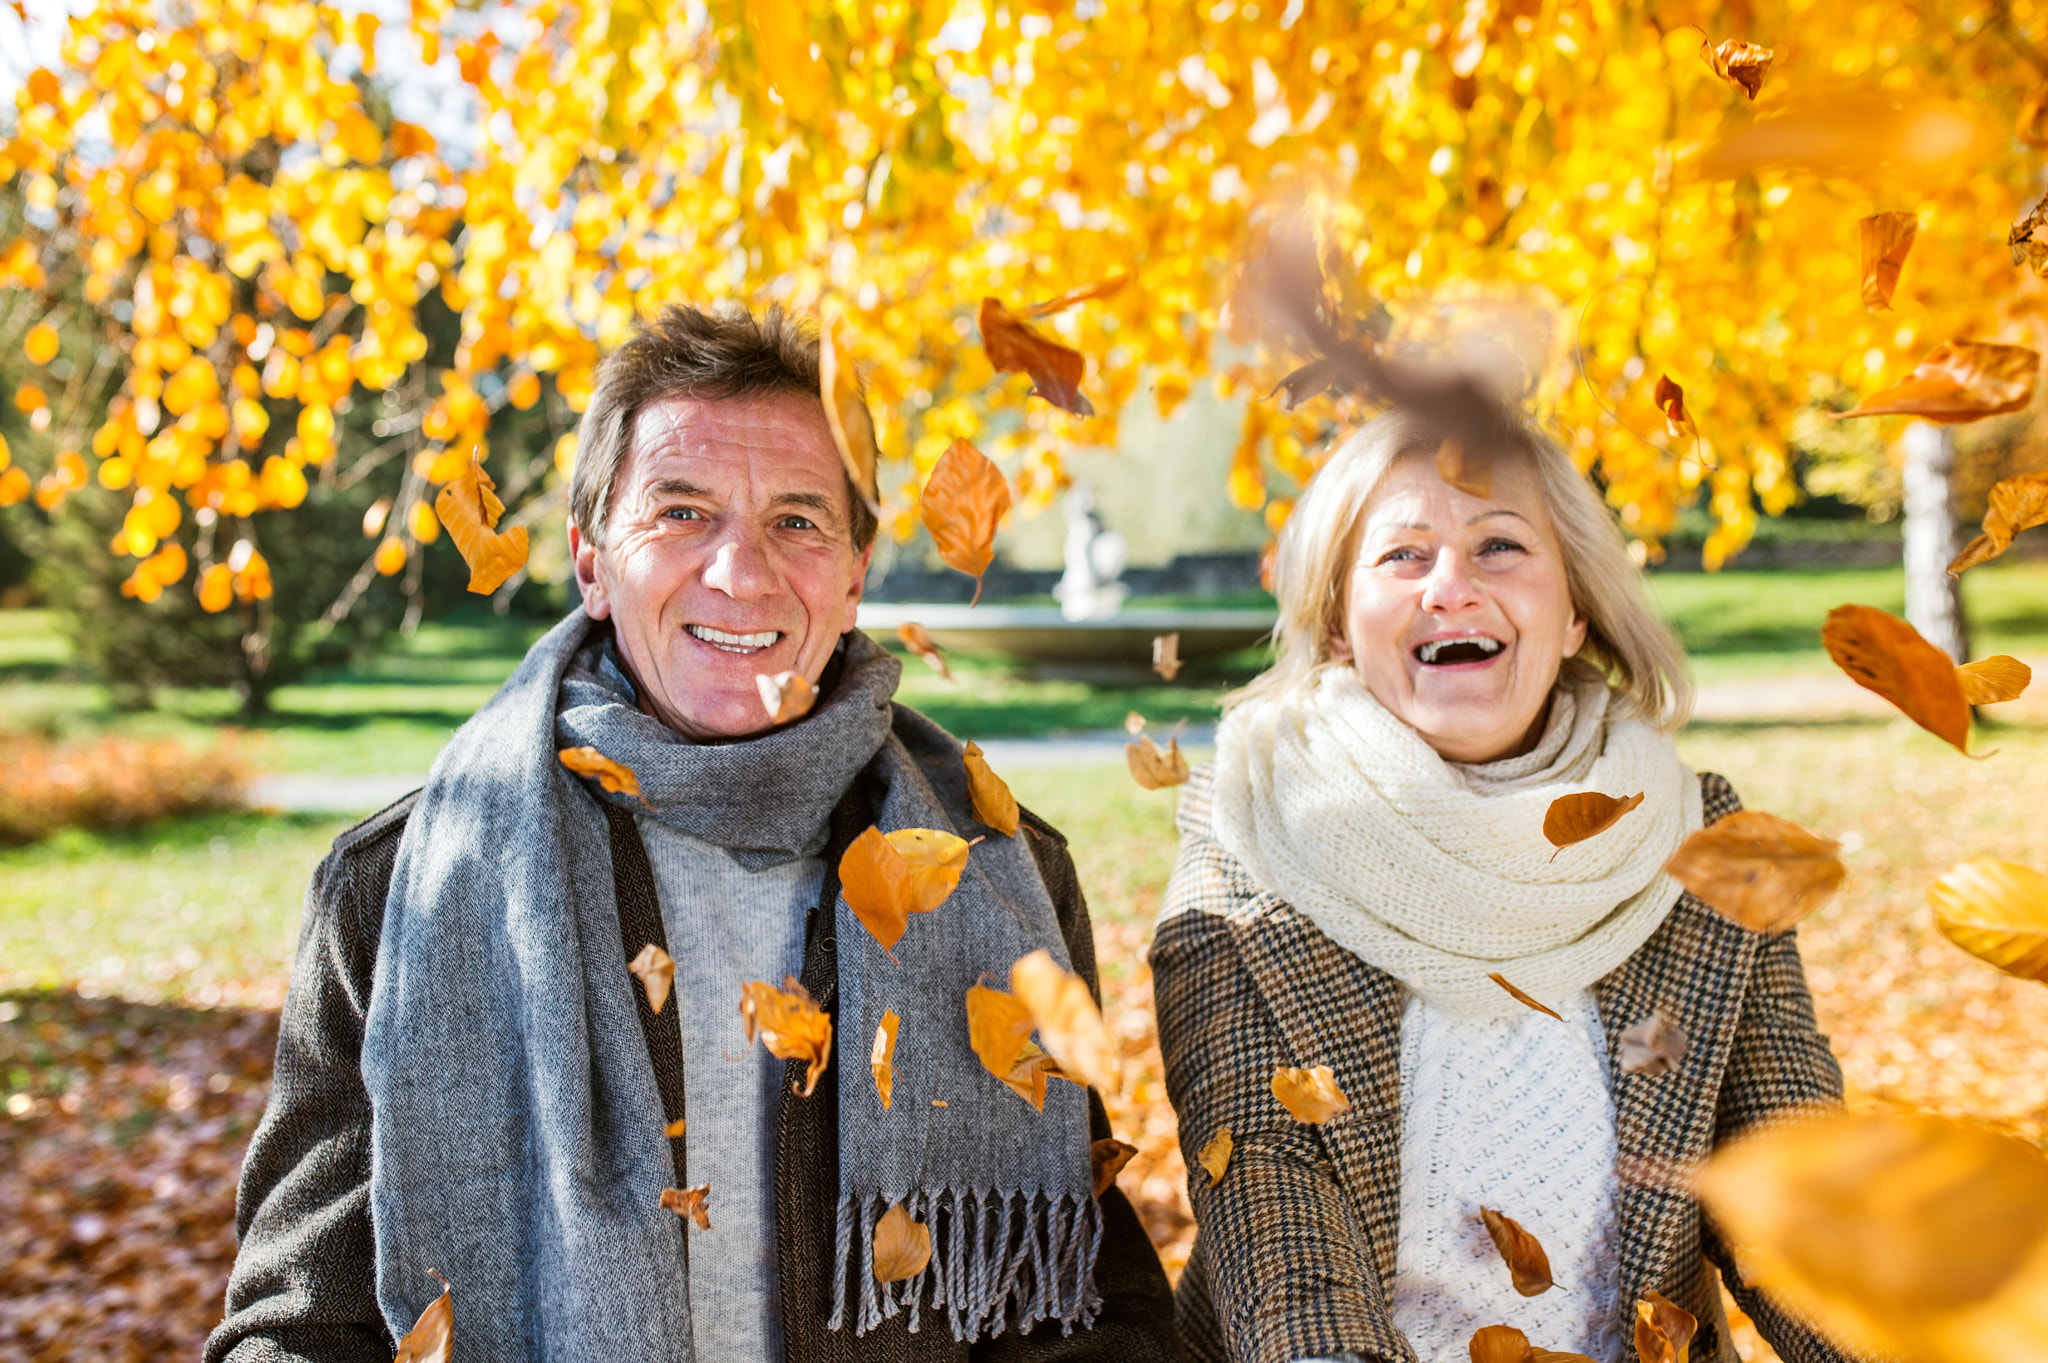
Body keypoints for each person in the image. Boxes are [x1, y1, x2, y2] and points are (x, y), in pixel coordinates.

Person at [207, 304, 1185, 1363]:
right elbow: (302, 1326)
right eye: (680, 513)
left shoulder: (998, 873)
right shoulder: (398, 885)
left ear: (855, 572)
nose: (741, 572)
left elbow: (1079, 1303)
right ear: (590, 561)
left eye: (799, 521)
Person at [1150, 405, 1854, 1363]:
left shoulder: (1705, 837)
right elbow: (1275, 1226)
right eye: (1403, 555)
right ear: (1339, 624)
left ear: (1573, 613)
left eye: (1499, 545)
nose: (1451, 587)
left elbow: (1798, 1184)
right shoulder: (1249, 829)